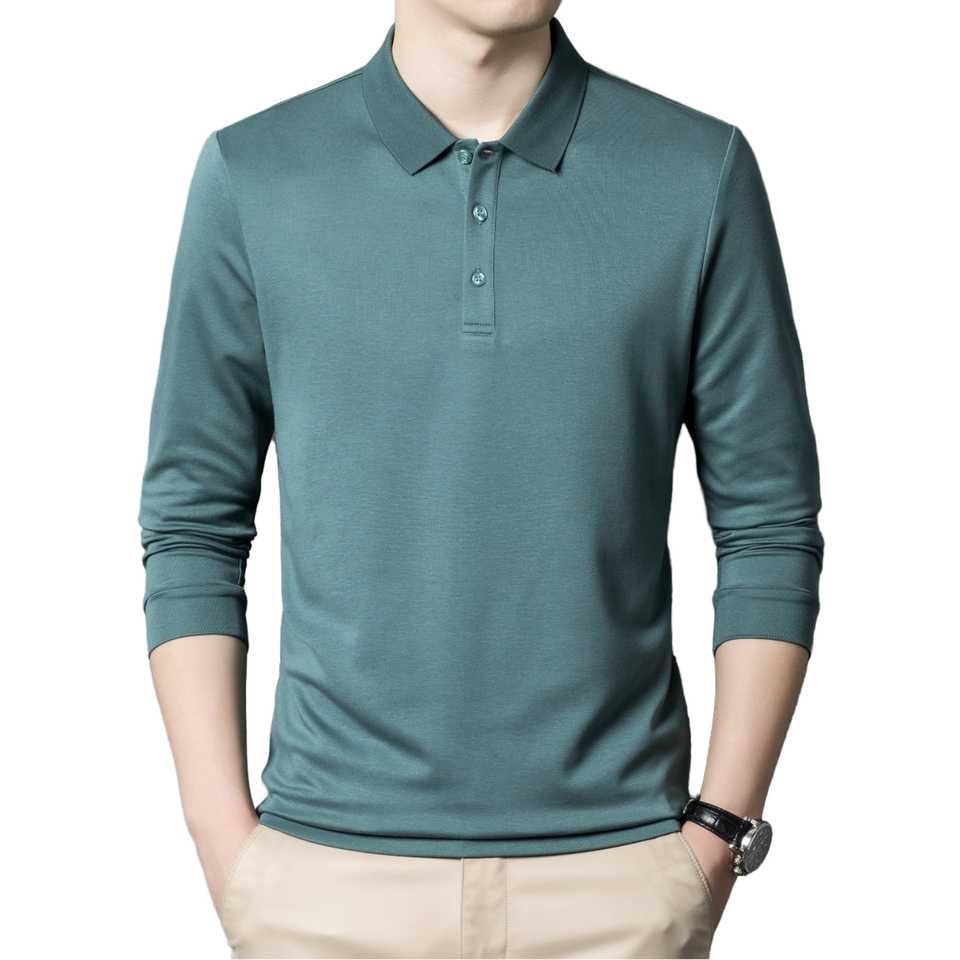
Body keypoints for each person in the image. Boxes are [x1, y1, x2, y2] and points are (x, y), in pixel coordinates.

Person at [138, 1, 824, 957]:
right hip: (326, 883)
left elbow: (768, 525)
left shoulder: (697, 170)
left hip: (620, 884)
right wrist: (228, 849)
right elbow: (193, 524)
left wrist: (714, 838)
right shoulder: (256, 173)